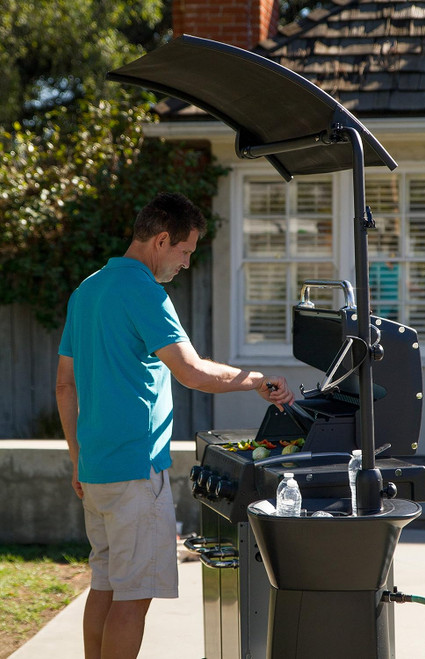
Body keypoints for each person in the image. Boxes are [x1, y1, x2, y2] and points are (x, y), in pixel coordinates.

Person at [56, 191, 294, 659]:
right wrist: (256, 380)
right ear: (161, 240)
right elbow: (191, 372)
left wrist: (77, 459)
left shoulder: (88, 289)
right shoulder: (144, 291)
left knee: (104, 585)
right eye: (185, 251)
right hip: (134, 473)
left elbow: (65, 386)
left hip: (96, 469)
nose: (185, 263)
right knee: (132, 599)